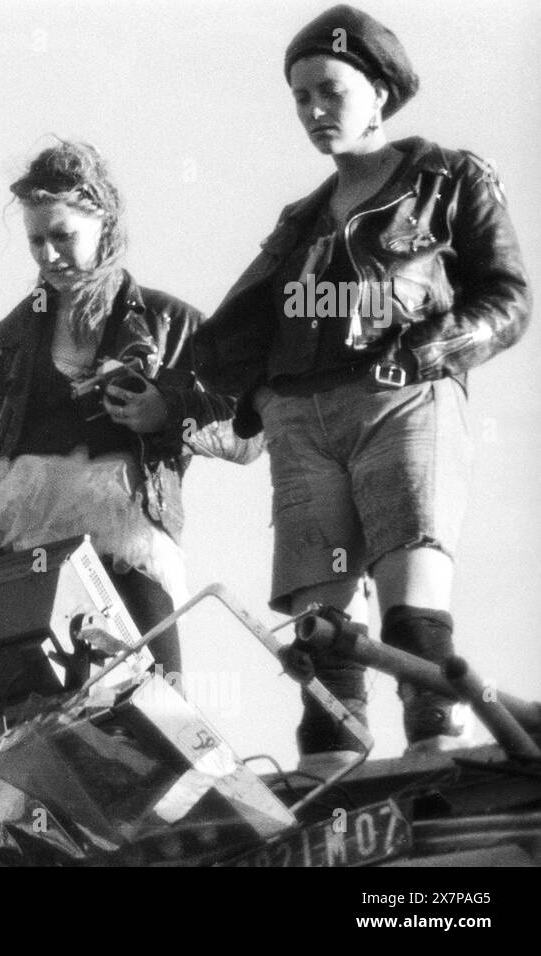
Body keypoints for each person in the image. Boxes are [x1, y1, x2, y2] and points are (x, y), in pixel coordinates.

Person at [193, 6, 530, 763]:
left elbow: (507, 299)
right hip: (303, 422)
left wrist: (425, 354)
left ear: (380, 92)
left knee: (412, 603)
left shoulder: (449, 177)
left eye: (330, 92)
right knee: (320, 627)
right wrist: (254, 402)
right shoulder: (298, 223)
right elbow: (240, 337)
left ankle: (434, 751)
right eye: (300, 98)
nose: (313, 112)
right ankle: (329, 770)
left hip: (401, 398)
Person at [0, 140, 253, 679]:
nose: (49, 255)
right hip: (18, 556)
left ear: (104, 223)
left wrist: (167, 412)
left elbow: (248, 429)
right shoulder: (1, 347)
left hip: (132, 542)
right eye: (36, 241)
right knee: (37, 721)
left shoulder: (174, 322)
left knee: (156, 705)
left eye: (63, 235)